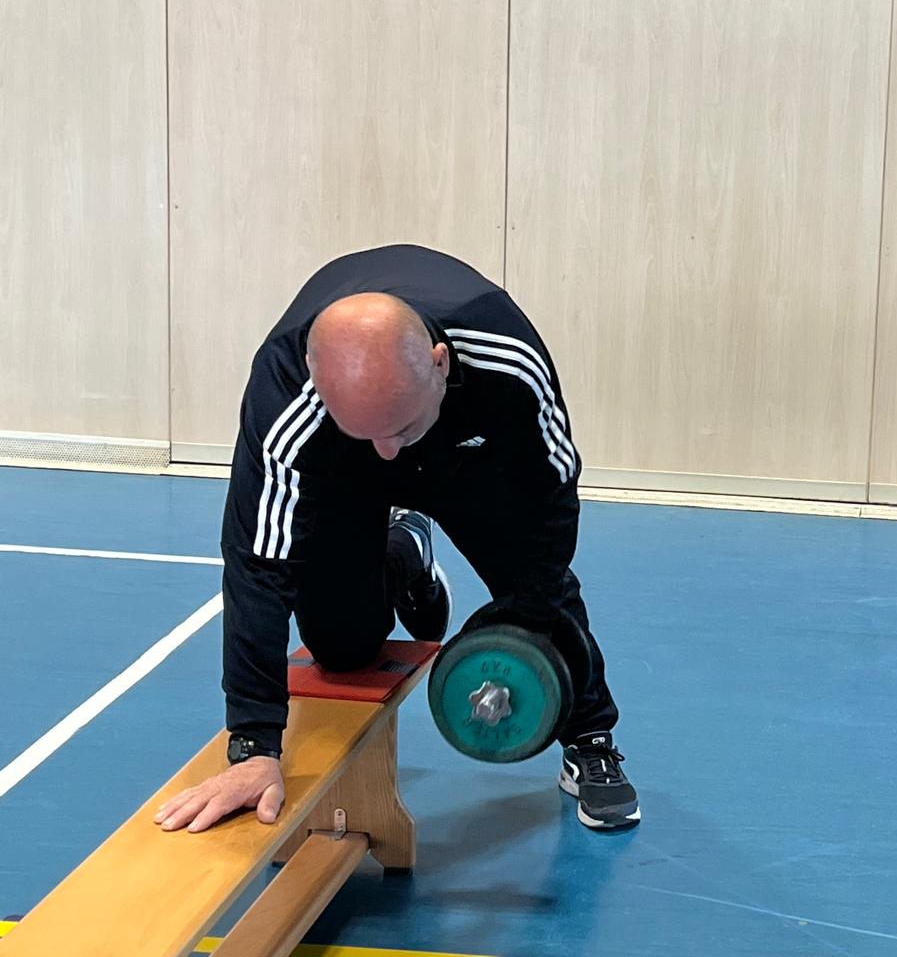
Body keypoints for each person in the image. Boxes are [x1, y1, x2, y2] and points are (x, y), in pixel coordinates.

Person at [154, 243, 640, 833]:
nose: (389, 449)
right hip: (341, 474)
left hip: (464, 456)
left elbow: (554, 489)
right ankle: (402, 554)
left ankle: (590, 736)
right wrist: (253, 746)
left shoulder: (505, 356)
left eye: (400, 428)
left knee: (536, 580)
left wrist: (528, 612)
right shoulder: (286, 388)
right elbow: (257, 561)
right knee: (342, 650)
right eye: (370, 432)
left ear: (439, 362)